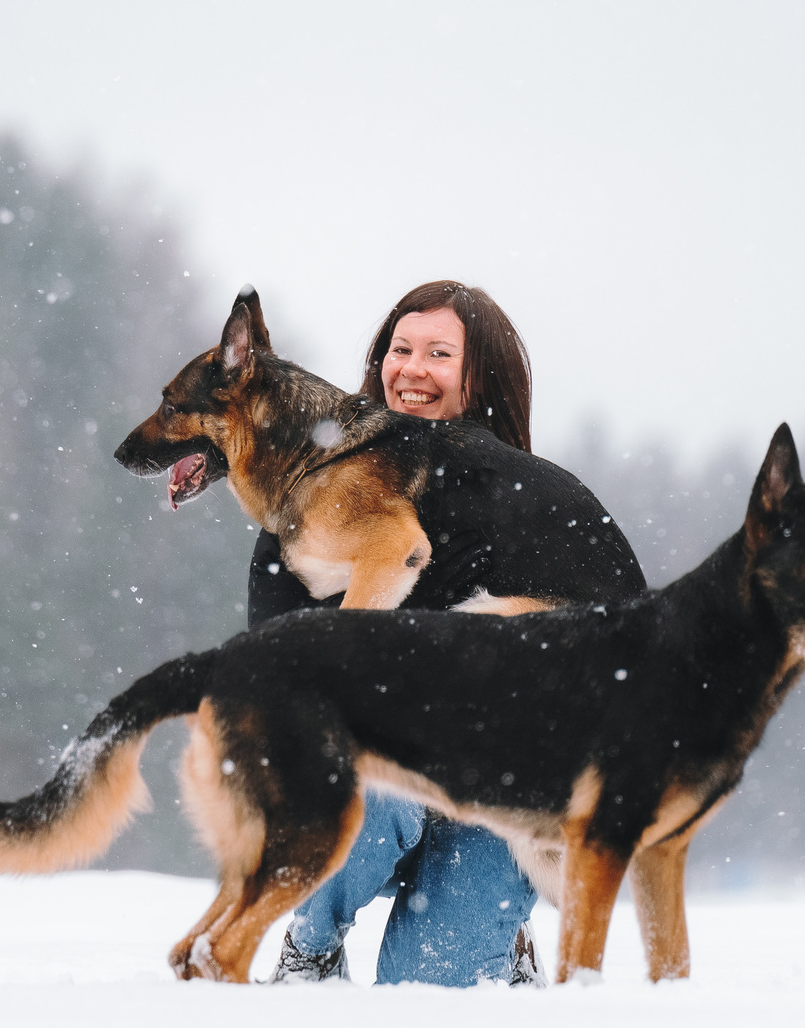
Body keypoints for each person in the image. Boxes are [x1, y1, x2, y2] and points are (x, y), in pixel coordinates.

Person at [246, 279, 641, 985]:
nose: (412, 369)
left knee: (433, 993)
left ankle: (498, 942)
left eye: (438, 353)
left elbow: (622, 656)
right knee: (372, 793)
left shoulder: (540, 504)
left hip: (504, 790)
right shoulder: (325, 497)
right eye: (401, 349)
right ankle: (310, 945)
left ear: (480, 378)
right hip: (373, 773)